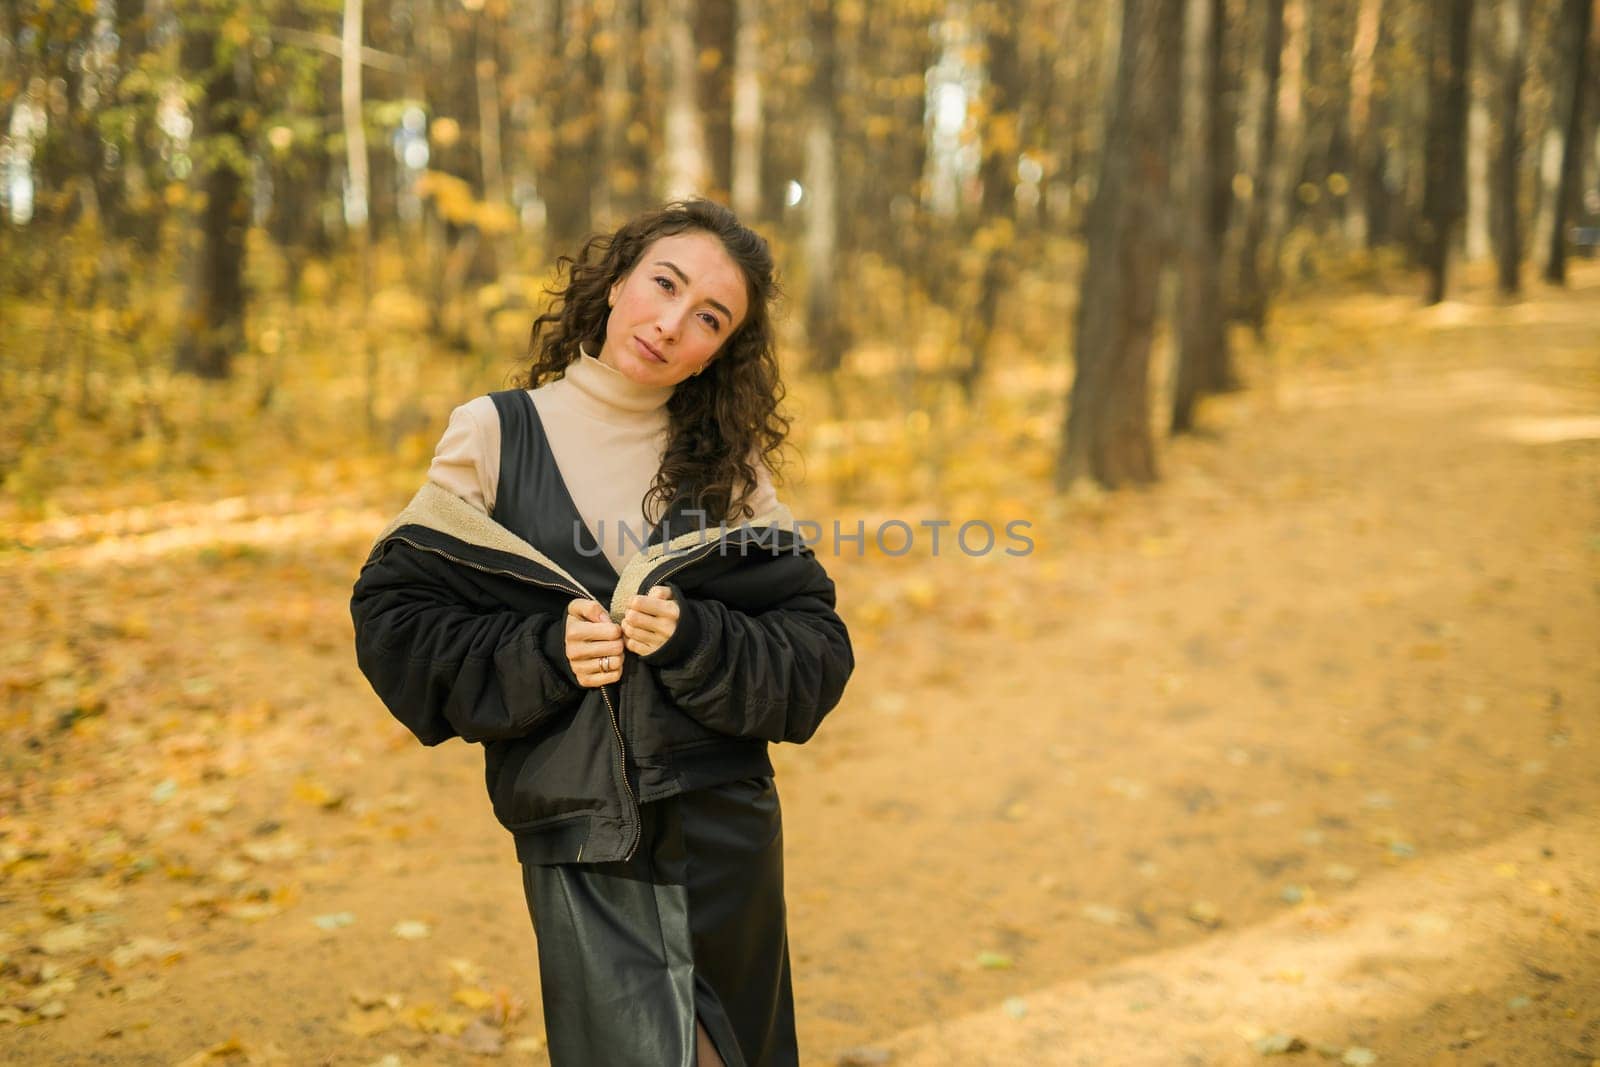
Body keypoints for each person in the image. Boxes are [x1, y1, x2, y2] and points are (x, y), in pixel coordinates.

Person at [349, 198, 854, 1067]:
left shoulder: (730, 470)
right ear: (616, 281)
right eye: (664, 284)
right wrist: (546, 654)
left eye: (709, 318)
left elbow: (815, 648)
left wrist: (696, 639)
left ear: (720, 353)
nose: (670, 323)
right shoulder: (494, 433)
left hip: (723, 821)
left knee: (739, 1051)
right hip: (585, 827)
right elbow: (398, 624)